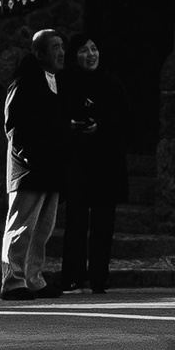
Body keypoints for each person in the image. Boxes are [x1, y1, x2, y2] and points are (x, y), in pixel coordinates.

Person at [2, 28, 70, 295]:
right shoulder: (24, 82)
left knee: (42, 229)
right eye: (55, 47)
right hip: (29, 168)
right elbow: (14, 126)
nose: (61, 52)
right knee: (21, 228)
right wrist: (30, 157)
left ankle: (33, 278)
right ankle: (13, 280)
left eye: (62, 46)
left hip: (51, 168)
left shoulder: (56, 81)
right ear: (39, 53)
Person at [60, 36, 127, 293]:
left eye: (95, 48)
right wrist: (70, 126)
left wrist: (102, 127)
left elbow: (124, 119)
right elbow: (57, 116)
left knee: (103, 224)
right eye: (84, 50)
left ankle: (99, 276)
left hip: (105, 164)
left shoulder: (112, 83)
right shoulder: (66, 82)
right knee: (75, 223)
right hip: (77, 163)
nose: (91, 54)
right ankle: (72, 276)